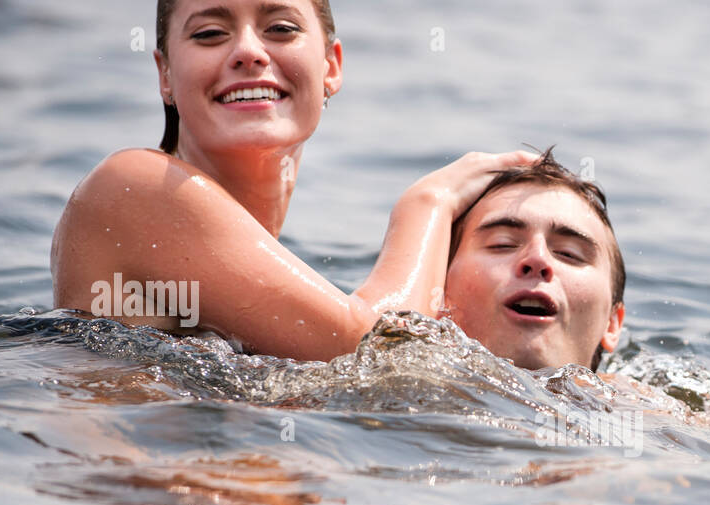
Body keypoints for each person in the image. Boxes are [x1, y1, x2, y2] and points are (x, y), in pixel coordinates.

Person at [51, 0, 536, 361]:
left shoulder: (254, 270)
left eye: (280, 28)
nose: (247, 52)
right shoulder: (135, 187)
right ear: (165, 76)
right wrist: (431, 202)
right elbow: (376, 353)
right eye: (209, 34)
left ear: (331, 66)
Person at [441, 152, 625, 373]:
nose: (537, 259)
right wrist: (428, 201)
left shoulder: (651, 406)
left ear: (612, 324)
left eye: (569, 254)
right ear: (437, 293)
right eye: (502, 244)